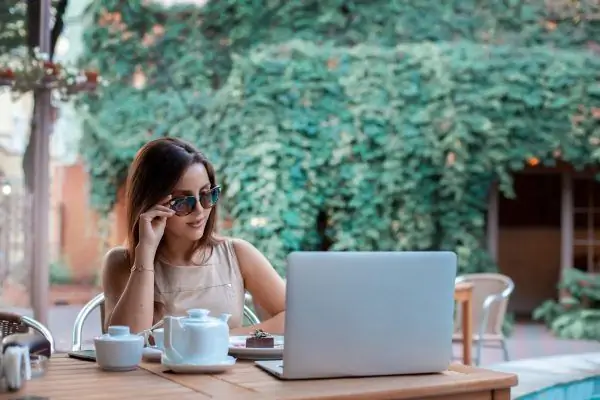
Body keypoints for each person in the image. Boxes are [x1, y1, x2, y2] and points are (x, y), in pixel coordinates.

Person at [101, 137, 286, 335]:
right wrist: (145, 253)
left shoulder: (237, 254)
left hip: (227, 365)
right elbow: (125, 340)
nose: (200, 210)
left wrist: (221, 337)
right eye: (182, 201)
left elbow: (294, 317)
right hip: (152, 368)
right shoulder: (121, 261)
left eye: (207, 195)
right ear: (151, 204)